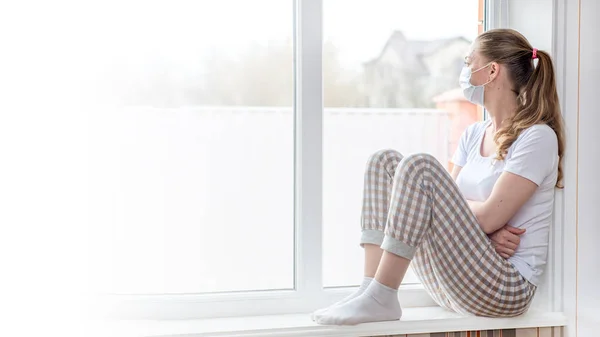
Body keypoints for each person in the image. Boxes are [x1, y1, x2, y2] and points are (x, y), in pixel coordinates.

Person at [312, 28, 565, 326]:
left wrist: (476, 223)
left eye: (470, 62)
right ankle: (370, 289)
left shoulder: (536, 137)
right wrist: (482, 232)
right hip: (460, 278)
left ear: (492, 71)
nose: (466, 71)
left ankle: (382, 296)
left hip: (506, 287)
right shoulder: (473, 134)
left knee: (420, 167)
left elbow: (475, 214)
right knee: (384, 162)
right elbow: (449, 208)